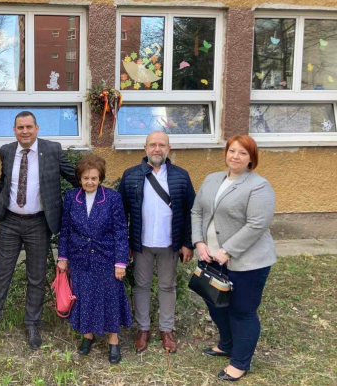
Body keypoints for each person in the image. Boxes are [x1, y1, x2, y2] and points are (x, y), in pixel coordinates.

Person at [0, 111, 80, 349]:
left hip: (38, 223)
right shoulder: (7, 151)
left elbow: (74, 177)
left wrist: (95, 194)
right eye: (20, 127)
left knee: (36, 277)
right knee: (1, 274)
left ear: (37, 128)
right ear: (14, 130)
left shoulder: (52, 150)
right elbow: (5, 180)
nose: (25, 131)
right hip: (9, 221)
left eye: (29, 127)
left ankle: (32, 324)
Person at [191, 135, 276, 382]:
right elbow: (197, 211)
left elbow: (257, 224)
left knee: (241, 311)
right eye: (232, 151)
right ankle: (226, 344)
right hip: (209, 257)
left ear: (251, 158)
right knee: (215, 304)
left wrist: (227, 250)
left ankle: (240, 363)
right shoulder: (212, 179)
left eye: (242, 153)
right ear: (226, 153)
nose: (235, 156)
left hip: (246, 263)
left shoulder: (259, 186)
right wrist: (199, 242)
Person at [118, 130, 195, 354]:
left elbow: (191, 211)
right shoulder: (131, 175)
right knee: (141, 286)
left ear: (169, 149)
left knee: (167, 286)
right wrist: (125, 244)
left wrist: (187, 243)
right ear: (145, 148)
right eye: (153, 144)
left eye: (162, 145)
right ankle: (142, 329)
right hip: (140, 243)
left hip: (170, 243)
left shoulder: (181, 176)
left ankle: (166, 330)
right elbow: (120, 213)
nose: (157, 149)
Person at [57, 155, 132, 364]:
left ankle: (113, 341)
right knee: (84, 296)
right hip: (79, 258)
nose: (89, 182)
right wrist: (62, 257)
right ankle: (87, 336)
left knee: (110, 298)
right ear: (79, 178)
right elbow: (65, 229)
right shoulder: (71, 197)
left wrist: (120, 262)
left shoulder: (112, 198)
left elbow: (120, 231)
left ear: (100, 179)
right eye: (85, 178)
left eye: (94, 178)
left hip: (106, 257)